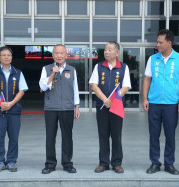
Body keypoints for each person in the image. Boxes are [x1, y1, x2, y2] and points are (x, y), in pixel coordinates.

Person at [143, 29, 179, 175]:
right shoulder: (152, 59)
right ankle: (155, 163)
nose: (158, 45)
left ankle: (169, 164)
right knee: (153, 134)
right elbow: (147, 79)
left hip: (172, 104)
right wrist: (145, 98)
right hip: (154, 103)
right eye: (157, 42)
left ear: (169, 43)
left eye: (160, 42)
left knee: (170, 135)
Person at [0, 46, 28, 173]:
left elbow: (22, 90)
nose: (6, 57)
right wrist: (0, 103)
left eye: (9, 55)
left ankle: (12, 161)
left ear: (12, 58)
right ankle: (0, 162)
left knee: (14, 137)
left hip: (14, 111)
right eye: (3, 55)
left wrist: (11, 103)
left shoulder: (18, 73)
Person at [89, 41, 131, 173]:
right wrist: (105, 100)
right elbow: (94, 85)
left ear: (117, 52)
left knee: (116, 135)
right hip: (102, 106)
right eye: (105, 49)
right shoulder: (99, 66)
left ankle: (117, 163)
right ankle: (103, 163)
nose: (106, 52)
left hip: (117, 106)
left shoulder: (123, 67)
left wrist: (114, 100)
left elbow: (126, 86)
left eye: (110, 49)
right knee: (103, 134)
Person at [39, 44, 80, 174]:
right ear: (53, 55)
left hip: (67, 108)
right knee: (50, 136)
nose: (59, 55)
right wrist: (52, 73)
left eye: (61, 53)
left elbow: (75, 89)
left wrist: (76, 106)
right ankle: (50, 164)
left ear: (66, 55)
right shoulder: (46, 69)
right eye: (56, 53)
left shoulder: (71, 70)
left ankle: (67, 163)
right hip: (51, 108)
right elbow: (43, 87)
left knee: (67, 136)